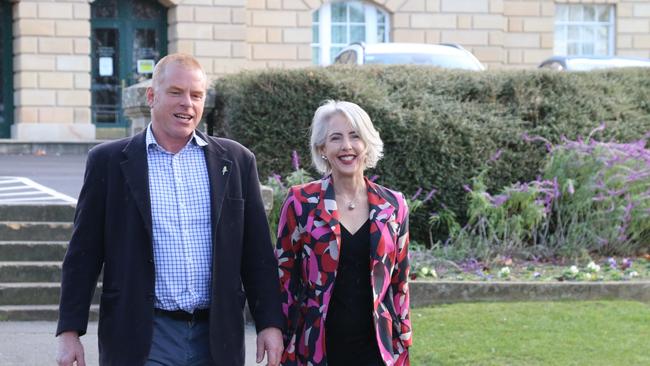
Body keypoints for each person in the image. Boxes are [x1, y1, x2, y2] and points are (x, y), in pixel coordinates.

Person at [56, 53, 284, 366]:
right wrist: (69, 331)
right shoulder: (108, 162)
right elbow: (83, 253)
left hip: (217, 337)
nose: (187, 104)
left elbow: (257, 252)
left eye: (196, 95)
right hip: (143, 337)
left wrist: (269, 323)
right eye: (176, 92)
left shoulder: (236, 161)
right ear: (152, 96)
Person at [275, 100, 412, 366]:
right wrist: (280, 336)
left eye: (355, 136)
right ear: (322, 148)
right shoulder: (300, 202)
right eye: (336, 138)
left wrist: (403, 340)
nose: (347, 146)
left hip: (377, 349)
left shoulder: (393, 205)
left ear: (367, 144)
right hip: (315, 346)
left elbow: (400, 282)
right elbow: (284, 277)